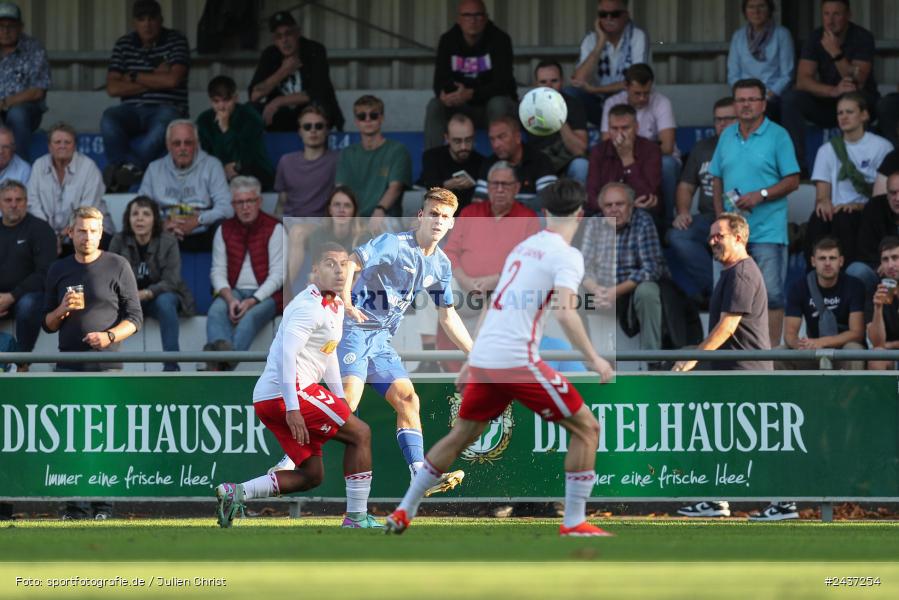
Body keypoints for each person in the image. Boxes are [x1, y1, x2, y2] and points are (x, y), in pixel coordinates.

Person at [384, 179, 616, 537]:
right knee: (588, 430)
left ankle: (403, 511)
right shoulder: (567, 255)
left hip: (490, 354)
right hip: (516, 360)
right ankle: (573, 521)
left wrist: (474, 363)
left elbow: (497, 303)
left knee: (461, 435)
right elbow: (568, 313)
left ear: (543, 213)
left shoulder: (525, 248)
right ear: (581, 215)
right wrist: (595, 359)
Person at [271, 188, 474, 489]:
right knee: (348, 402)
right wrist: (348, 303)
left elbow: (448, 316)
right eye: (433, 214)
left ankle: (419, 475)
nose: (438, 222)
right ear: (420, 216)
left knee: (408, 399)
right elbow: (352, 262)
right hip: (353, 329)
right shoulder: (393, 243)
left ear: (452, 223)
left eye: (445, 217)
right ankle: (291, 459)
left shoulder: (441, 265)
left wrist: (474, 352)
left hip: (380, 340)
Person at [214, 242, 381, 529]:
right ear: (314, 270)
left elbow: (327, 354)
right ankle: (356, 518)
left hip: (273, 397)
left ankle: (237, 492)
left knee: (311, 474)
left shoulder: (337, 304)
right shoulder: (307, 307)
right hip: (287, 393)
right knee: (361, 434)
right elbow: (286, 358)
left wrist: (339, 399)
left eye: (344, 264)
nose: (340, 270)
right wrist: (293, 408)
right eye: (330, 263)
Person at [673, 214, 798, 522]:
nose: (712, 239)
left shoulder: (742, 272)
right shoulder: (731, 272)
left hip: (746, 370)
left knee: (759, 442)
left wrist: (693, 358)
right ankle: (716, 500)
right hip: (732, 370)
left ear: (740, 238)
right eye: (712, 235)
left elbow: (728, 326)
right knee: (719, 436)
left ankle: (784, 502)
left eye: (720, 235)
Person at [42, 206, 142, 520]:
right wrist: (61, 310)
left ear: (102, 233)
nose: (87, 236)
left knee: (104, 441)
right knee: (71, 441)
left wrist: (109, 337)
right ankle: (75, 507)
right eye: (82, 230)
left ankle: (103, 506)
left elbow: (135, 318)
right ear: (71, 232)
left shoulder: (118, 265)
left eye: (94, 231)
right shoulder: (58, 269)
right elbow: (47, 324)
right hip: (68, 367)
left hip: (107, 367)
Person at [709, 78, 800, 347]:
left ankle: (768, 356)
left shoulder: (779, 135)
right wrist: (719, 220)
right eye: (741, 100)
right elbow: (716, 179)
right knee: (724, 294)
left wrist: (761, 195)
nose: (746, 104)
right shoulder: (726, 135)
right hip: (730, 235)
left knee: (771, 295)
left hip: (767, 230)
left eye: (751, 99)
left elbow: (793, 180)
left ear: (763, 103)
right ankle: (722, 354)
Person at [439, 162, 541, 365]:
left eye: (505, 184)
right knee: (430, 288)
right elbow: (449, 252)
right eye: (495, 184)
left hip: (506, 290)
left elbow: (531, 263)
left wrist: (496, 280)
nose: (500, 189)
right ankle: (429, 354)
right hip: (465, 287)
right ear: (488, 187)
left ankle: (483, 364)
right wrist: (465, 279)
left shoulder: (528, 218)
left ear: (517, 188)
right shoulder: (469, 212)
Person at [781, 0, 879, 175]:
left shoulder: (862, 37)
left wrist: (835, 53)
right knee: (791, 99)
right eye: (826, 14)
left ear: (848, 15)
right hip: (828, 101)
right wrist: (833, 91)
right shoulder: (815, 37)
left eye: (837, 14)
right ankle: (797, 168)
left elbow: (858, 82)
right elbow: (802, 80)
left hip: (861, 102)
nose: (830, 20)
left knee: (851, 97)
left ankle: (855, 169)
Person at [101, 0, 189, 189]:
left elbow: (172, 81)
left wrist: (132, 77)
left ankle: (126, 170)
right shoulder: (124, 44)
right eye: (141, 19)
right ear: (134, 22)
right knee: (109, 117)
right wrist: (156, 79)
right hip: (131, 110)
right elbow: (112, 88)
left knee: (166, 121)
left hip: (166, 108)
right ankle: (125, 168)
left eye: (152, 18)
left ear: (161, 20)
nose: (147, 24)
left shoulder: (176, 40)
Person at [109, 196, 195, 372]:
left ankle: (171, 366)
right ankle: (109, 365)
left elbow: (172, 281)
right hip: (128, 299)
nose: (140, 218)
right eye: (135, 214)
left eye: (146, 214)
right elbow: (110, 276)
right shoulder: (119, 240)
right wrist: (131, 296)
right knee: (108, 302)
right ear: (128, 218)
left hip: (158, 298)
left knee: (165, 302)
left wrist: (145, 293)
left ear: (155, 219)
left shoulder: (168, 241)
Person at [805, 92, 893, 265]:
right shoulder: (827, 150)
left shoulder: (882, 146)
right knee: (817, 219)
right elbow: (822, 195)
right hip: (836, 213)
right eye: (840, 113)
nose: (844, 117)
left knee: (846, 218)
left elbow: (882, 200)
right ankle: (812, 274)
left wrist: (856, 206)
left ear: (864, 115)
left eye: (849, 112)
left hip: (865, 213)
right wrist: (823, 203)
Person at [582, 182, 667, 358]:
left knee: (648, 291)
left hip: (631, 291)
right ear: (602, 208)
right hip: (601, 292)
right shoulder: (594, 224)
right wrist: (596, 290)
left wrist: (614, 291)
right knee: (570, 293)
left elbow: (651, 268)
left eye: (619, 204)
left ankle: (652, 358)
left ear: (630, 205)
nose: (614, 209)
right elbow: (583, 267)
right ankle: (585, 355)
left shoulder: (643, 221)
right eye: (608, 205)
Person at [205, 177, 283, 368]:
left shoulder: (274, 227)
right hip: (235, 291)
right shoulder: (224, 229)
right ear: (233, 204)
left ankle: (220, 367)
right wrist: (230, 299)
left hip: (269, 295)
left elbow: (279, 275)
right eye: (240, 202)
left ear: (259, 202)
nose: (245, 207)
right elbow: (217, 271)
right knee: (216, 311)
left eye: (250, 201)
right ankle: (222, 362)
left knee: (250, 318)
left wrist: (254, 299)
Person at [423, 0, 517, 150]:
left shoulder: (500, 39)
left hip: (489, 110)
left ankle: (502, 161)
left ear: (486, 18)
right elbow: (439, 82)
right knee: (435, 105)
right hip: (460, 107)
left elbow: (502, 84)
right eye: (467, 15)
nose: (473, 20)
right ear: (459, 19)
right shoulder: (448, 40)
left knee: (498, 102)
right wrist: (446, 96)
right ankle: (432, 164)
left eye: (478, 15)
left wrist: (471, 93)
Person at [668, 98, 738, 300]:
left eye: (728, 119)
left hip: (743, 218)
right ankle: (718, 287)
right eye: (718, 120)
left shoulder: (749, 147)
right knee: (678, 235)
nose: (722, 124)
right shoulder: (703, 148)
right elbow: (686, 185)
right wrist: (683, 212)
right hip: (709, 217)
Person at [600, 64, 680, 224]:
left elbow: (667, 147)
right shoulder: (612, 103)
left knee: (668, 164)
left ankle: (667, 221)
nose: (643, 98)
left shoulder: (661, 102)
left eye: (646, 93)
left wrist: (638, 154)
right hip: (622, 157)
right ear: (626, 86)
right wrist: (628, 155)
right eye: (637, 93)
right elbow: (607, 143)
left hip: (655, 159)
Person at [138, 119, 232, 252]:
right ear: (168, 145)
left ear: (197, 144)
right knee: (138, 228)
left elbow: (227, 208)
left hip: (202, 231)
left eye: (188, 143)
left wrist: (199, 220)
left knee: (225, 227)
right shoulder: (154, 169)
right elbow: (141, 207)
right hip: (166, 232)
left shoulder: (212, 165)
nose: (182, 148)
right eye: (177, 143)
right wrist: (162, 224)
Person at [778, 237, 865, 371]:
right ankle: (792, 392)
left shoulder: (854, 285)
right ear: (813, 261)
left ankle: (849, 393)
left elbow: (857, 333)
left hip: (842, 351)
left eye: (832, 258)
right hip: (813, 352)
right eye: (822, 258)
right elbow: (789, 333)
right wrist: (801, 346)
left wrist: (822, 343)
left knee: (854, 350)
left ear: (841, 261)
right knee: (779, 353)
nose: (828, 263)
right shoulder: (799, 287)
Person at [249, 10, 343, 132]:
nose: (284, 40)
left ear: (298, 33)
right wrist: (283, 71)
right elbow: (254, 95)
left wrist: (278, 101)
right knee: (250, 109)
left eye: (288, 34)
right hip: (284, 115)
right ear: (274, 40)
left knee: (319, 104)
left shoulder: (314, 50)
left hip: (312, 112)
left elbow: (318, 91)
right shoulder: (270, 54)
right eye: (279, 36)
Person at [26, 122, 112, 253]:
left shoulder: (89, 167)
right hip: (48, 232)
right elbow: (33, 203)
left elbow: (87, 211)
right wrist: (50, 235)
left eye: (67, 142)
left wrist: (61, 236)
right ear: (49, 146)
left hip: (86, 231)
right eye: (57, 142)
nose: (62, 146)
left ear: (75, 146)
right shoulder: (39, 165)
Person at [568, 0, 648, 126]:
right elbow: (578, 81)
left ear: (626, 15)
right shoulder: (590, 39)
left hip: (626, 102)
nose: (608, 18)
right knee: (570, 93)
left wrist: (596, 89)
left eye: (615, 14)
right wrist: (601, 42)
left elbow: (636, 81)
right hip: (597, 103)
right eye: (603, 14)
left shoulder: (637, 36)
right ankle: (581, 136)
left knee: (633, 93)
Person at [0, 179, 55, 364]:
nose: (14, 205)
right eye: (8, 200)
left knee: (28, 304)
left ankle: (22, 360)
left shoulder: (40, 229)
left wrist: (12, 296)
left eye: (19, 200)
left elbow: (46, 272)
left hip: (28, 296)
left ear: (26, 202)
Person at [335, 95, 411, 219]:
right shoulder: (347, 153)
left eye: (373, 115)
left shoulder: (397, 150)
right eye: (362, 116)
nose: (368, 119)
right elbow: (340, 190)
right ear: (356, 121)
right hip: (351, 218)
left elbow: (395, 187)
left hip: (384, 216)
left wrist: (380, 210)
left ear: (381, 118)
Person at [285, 186, 369, 297]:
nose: (341, 210)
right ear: (330, 209)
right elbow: (316, 273)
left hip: (354, 293)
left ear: (354, 211)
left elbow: (363, 277)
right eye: (337, 205)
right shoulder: (318, 235)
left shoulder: (363, 237)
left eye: (347, 205)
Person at [196, 75, 274, 191]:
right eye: (216, 101)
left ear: (236, 98)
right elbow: (204, 157)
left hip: (255, 175)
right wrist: (222, 169)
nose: (221, 106)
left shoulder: (250, 117)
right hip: (219, 178)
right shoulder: (204, 120)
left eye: (226, 100)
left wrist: (226, 129)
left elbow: (246, 157)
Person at [586, 104, 661, 219]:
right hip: (605, 214)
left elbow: (647, 198)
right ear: (608, 129)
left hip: (639, 215)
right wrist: (620, 208)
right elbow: (591, 196)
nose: (619, 134)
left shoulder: (650, 150)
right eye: (614, 129)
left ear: (636, 127)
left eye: (625, 128)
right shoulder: (598, 151)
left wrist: (627, 158)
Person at [726, 0, 794, 122]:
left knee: (764, 111)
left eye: (761, 6)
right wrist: (745, 96)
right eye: (751, 7)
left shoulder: (782, 34)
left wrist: (765, 96)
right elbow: (733, 75)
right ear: (745, 12)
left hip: (772, 96)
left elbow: (787, 75)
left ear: (769, 9)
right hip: (744, 93)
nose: (756, 12)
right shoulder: (738, 36)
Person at [474, 115, 558, 210]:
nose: (496, 145)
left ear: (518, 137)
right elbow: (479, 202)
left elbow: (549, 200)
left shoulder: (540, 160)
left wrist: (511, 211)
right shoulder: (489, 164)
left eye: (502, 137)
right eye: (492, 139)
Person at [0, 2, 48, 160]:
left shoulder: (34, 48)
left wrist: (6, 102)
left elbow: (37, 90)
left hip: (26, 111)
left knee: (17, 113)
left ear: (21, 27)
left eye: (11, 26)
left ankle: (20, 167)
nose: (5, 31)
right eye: (1, 26)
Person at [530, 60, 589, 184]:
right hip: (539, 164)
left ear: (562, 82)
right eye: (543, 82)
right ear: (535, 84)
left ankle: (577, 203)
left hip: (567, 161)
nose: (549, 87)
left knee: (581, 165)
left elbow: (579, 150)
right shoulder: (526, 107)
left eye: (554, 81)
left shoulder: (574, 105)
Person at [274, 105, 338, 219]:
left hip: (322, 225)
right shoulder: (286, 161)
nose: (313, 130)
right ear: (300, 131)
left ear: (326, 130)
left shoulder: (337, 160)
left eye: (318, 126)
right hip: (290, 222)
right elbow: (281, 202)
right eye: (307, 126)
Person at [417, 113, 484, 213]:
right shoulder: (432, 157)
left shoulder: (481, 162)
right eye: (457, 141)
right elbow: (429, 185)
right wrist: (449, 184)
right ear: (447, 138)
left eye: (468, 140)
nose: (463, 147)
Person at [849, 170, 899, 297]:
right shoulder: (874, 207)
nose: (897, 198)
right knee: (856, 270)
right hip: (880, 272)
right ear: (886, 193)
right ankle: (863, 314)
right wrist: (882, 265)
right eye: (893, 193)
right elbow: (864, 251)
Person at [867, 237, 899, 371]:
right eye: (885, 259)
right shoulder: (876, 290)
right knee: (877, 358)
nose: (891, 265)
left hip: (892, 347)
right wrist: (878, 308)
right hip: (891, 356)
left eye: (895, 257)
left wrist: (891, 345)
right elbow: (877, 344)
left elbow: (886, 345)